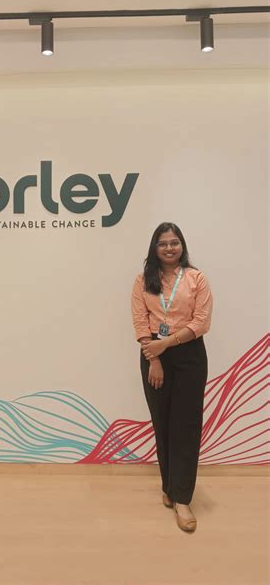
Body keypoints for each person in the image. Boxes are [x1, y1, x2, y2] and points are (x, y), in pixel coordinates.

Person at [131, 222, 213, 533]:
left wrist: (166, 344)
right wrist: (154, 358)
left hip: (189, 354)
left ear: (182, 246)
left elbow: (202, 321)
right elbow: (140, 321)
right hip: (153, 355)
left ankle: (183, 499)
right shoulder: (143, 280)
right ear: (155, 248)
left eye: (174, 242)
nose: (169, 248)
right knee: (162, 422)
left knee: (186, 426)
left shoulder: (196, 278)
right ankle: (169, 485)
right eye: (163, 243)